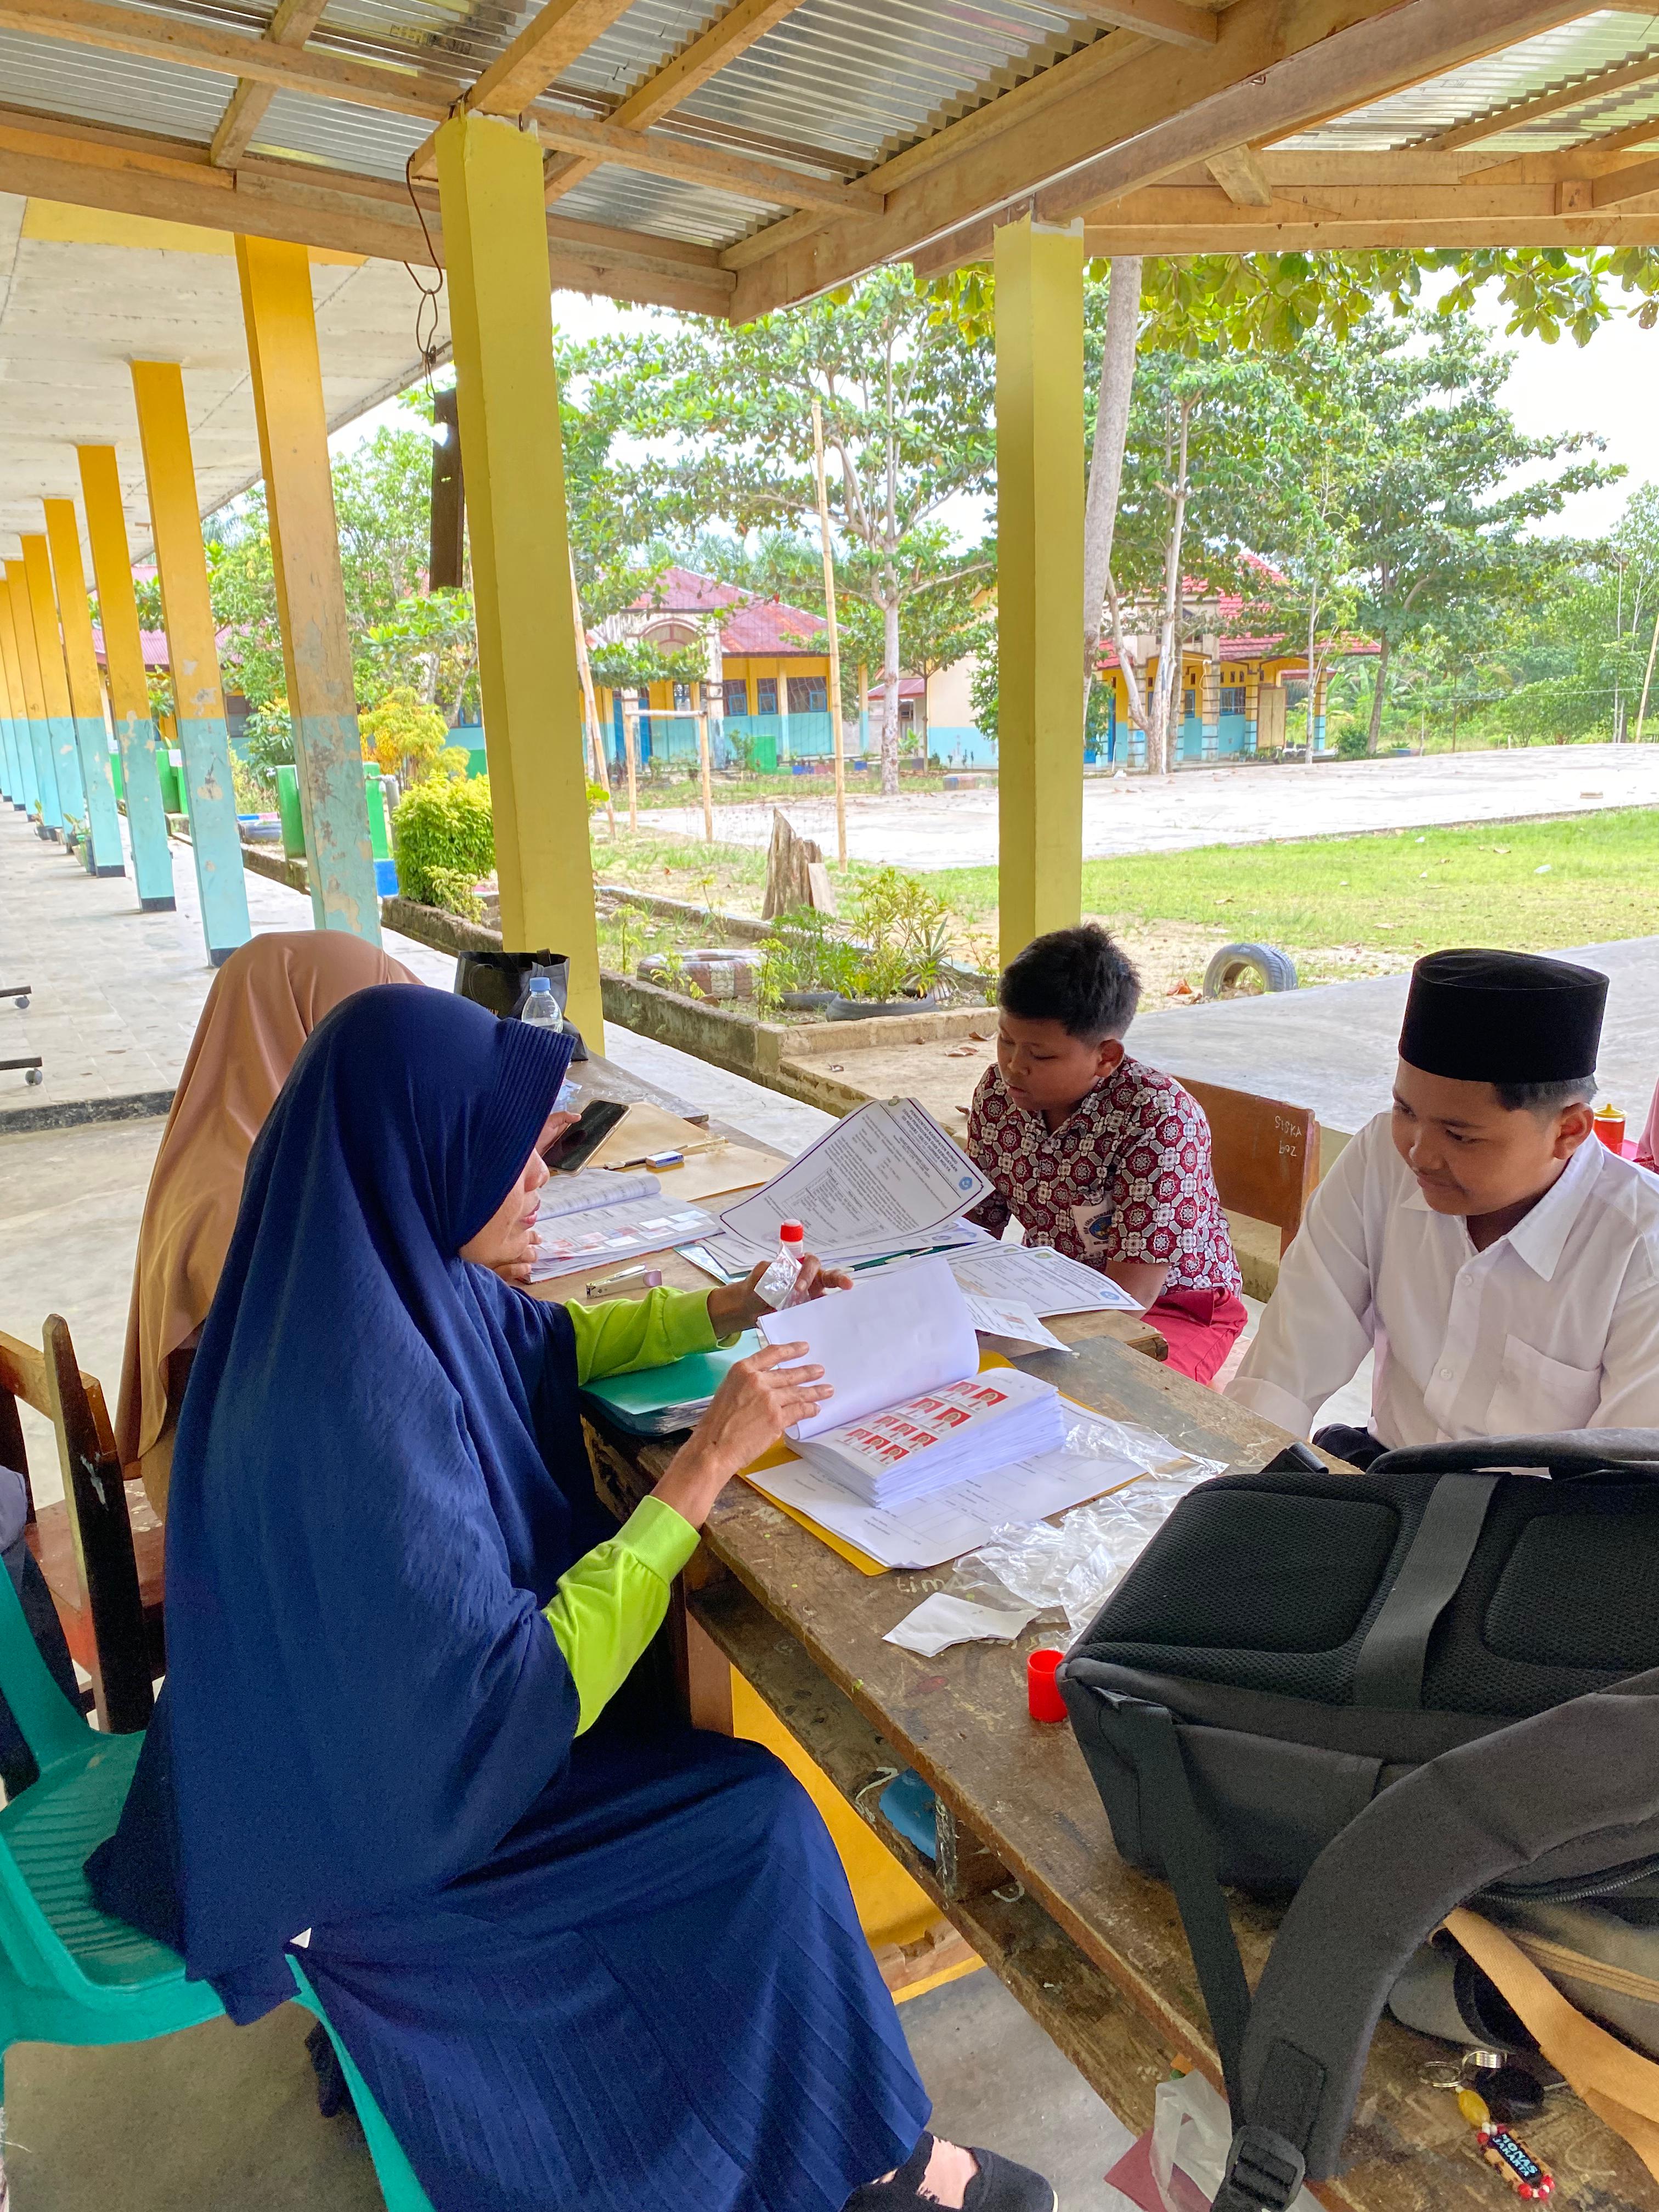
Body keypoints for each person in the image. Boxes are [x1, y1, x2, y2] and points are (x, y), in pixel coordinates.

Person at [88, 988, 1053, 2212]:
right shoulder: (358, 1414)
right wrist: (701, 1468)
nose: (543, 1173)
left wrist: (732, 1304)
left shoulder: (354, 1271)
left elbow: (543, 1345)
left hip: (330, 1759)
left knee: (727, 1796)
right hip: (372, 1843)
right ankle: (880, 2171)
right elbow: (511, 1691)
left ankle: (861, 2150)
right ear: (428, 1156)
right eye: (516, 1155)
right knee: (753, 1826)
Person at [1227, 947, 1659, 1463]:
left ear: (1568, 1130)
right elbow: (1289, 1361)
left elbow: (1621, 1487)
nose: (1419, 1153)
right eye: (1405, 1110)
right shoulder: (1382, 1158)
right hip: (1388, 1473)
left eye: (1460, 1136)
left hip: (1538, 1522)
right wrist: (1244, 1487)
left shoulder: (1640, 1248)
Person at [115, 932, 441, 1515]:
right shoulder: (226, 1200)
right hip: (244, 1520)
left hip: (269, 1472)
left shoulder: (246, 1144)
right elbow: (358, 1349)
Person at [966, 924, 1246, 1384]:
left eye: (1041, 1054)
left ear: (1107, 1057)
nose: (1014, 1065)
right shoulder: (999, 1094)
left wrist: (1013, 1341)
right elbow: (975, 1225)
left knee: (1104, 1397)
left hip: (1173, 1306)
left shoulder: (1160, 1119)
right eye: (1006, 1040)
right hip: (1046, 1288)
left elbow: (1130, 1298)